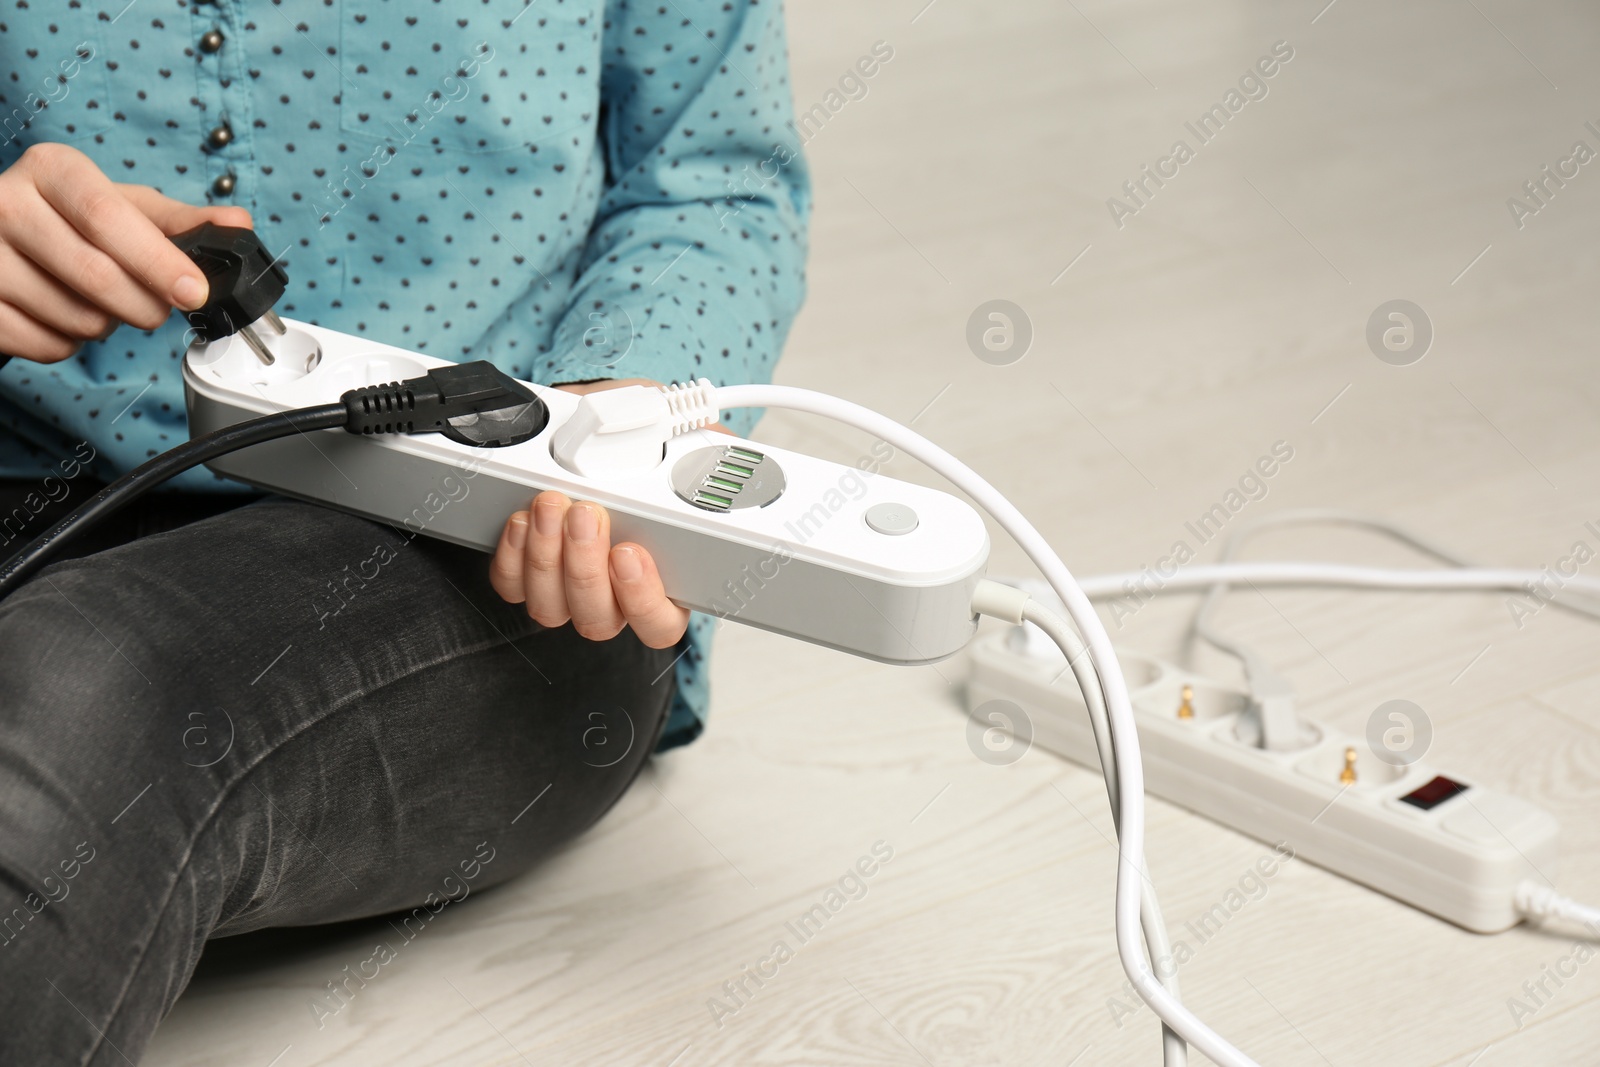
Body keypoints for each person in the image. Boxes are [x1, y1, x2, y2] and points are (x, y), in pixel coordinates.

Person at [0, 3, 809, 1063]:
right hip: (31, 463)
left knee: (83, 683)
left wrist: (605, 421)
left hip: (472, 535)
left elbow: (714, 180)